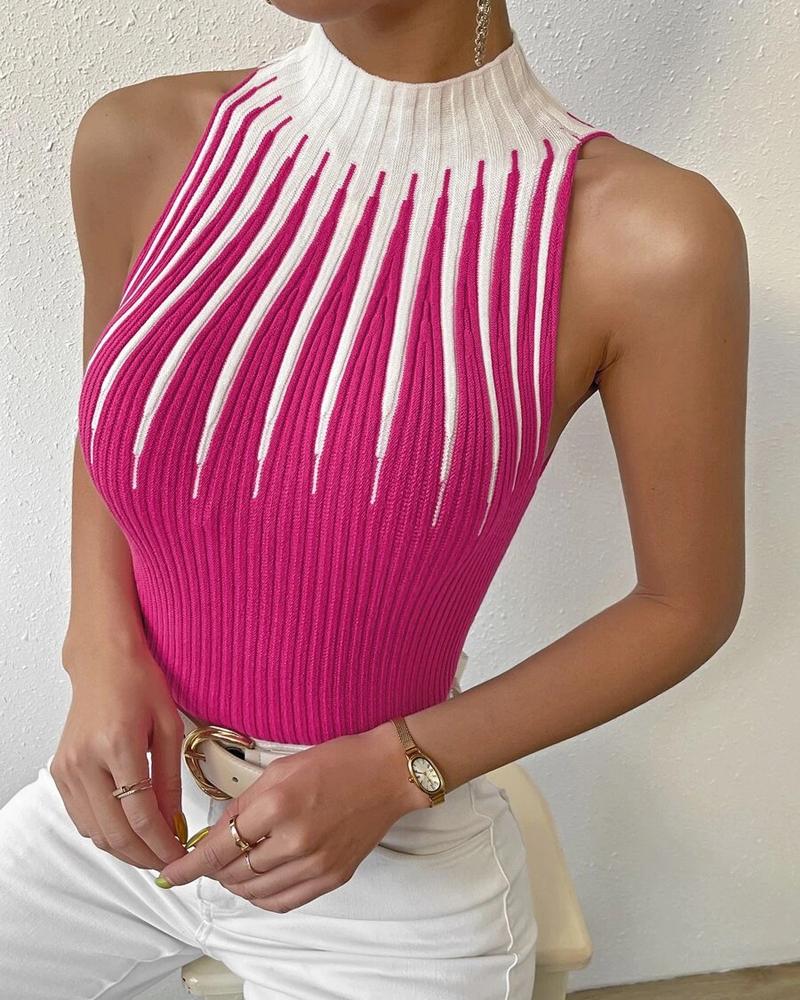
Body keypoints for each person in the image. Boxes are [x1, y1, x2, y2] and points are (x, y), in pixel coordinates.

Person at [0, 0, 749, 996]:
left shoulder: (645, 238)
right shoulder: (141, 140)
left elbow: (683, 605)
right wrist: (96, 652)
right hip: (122, 801)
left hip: (384, 861)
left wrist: (399, 770)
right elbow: (118, 422)